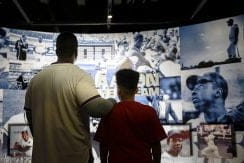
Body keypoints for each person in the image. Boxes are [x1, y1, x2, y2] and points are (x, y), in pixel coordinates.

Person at [24, 32, 115, 163]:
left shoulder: (36, 80)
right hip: (74, 155)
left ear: (57, 51)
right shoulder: (79, 75)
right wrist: (112, 101)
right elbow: (98, 109)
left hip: (43, 156)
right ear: (76, 52)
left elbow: (30, 118)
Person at [94, 69, 167, 163]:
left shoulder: (109, 112)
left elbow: (103, 145)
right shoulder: (149, 112)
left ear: (119, 91)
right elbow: (156, 145)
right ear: (136, 90)